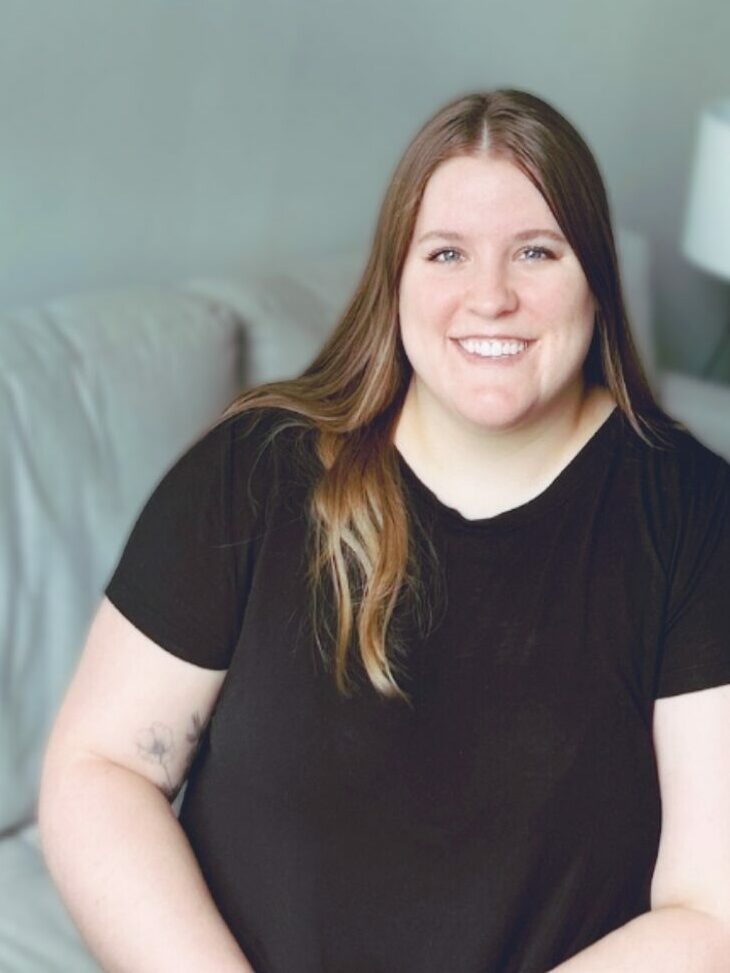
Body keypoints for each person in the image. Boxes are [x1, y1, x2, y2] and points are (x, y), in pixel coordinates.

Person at [38, 89, 730, 973]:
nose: (492, 298)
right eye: (447, 253)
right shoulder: (254, 470)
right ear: (395, 280)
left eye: (536, 252)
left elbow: (711, 909)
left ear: (595, 274)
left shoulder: (696, 518)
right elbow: (102, 766)